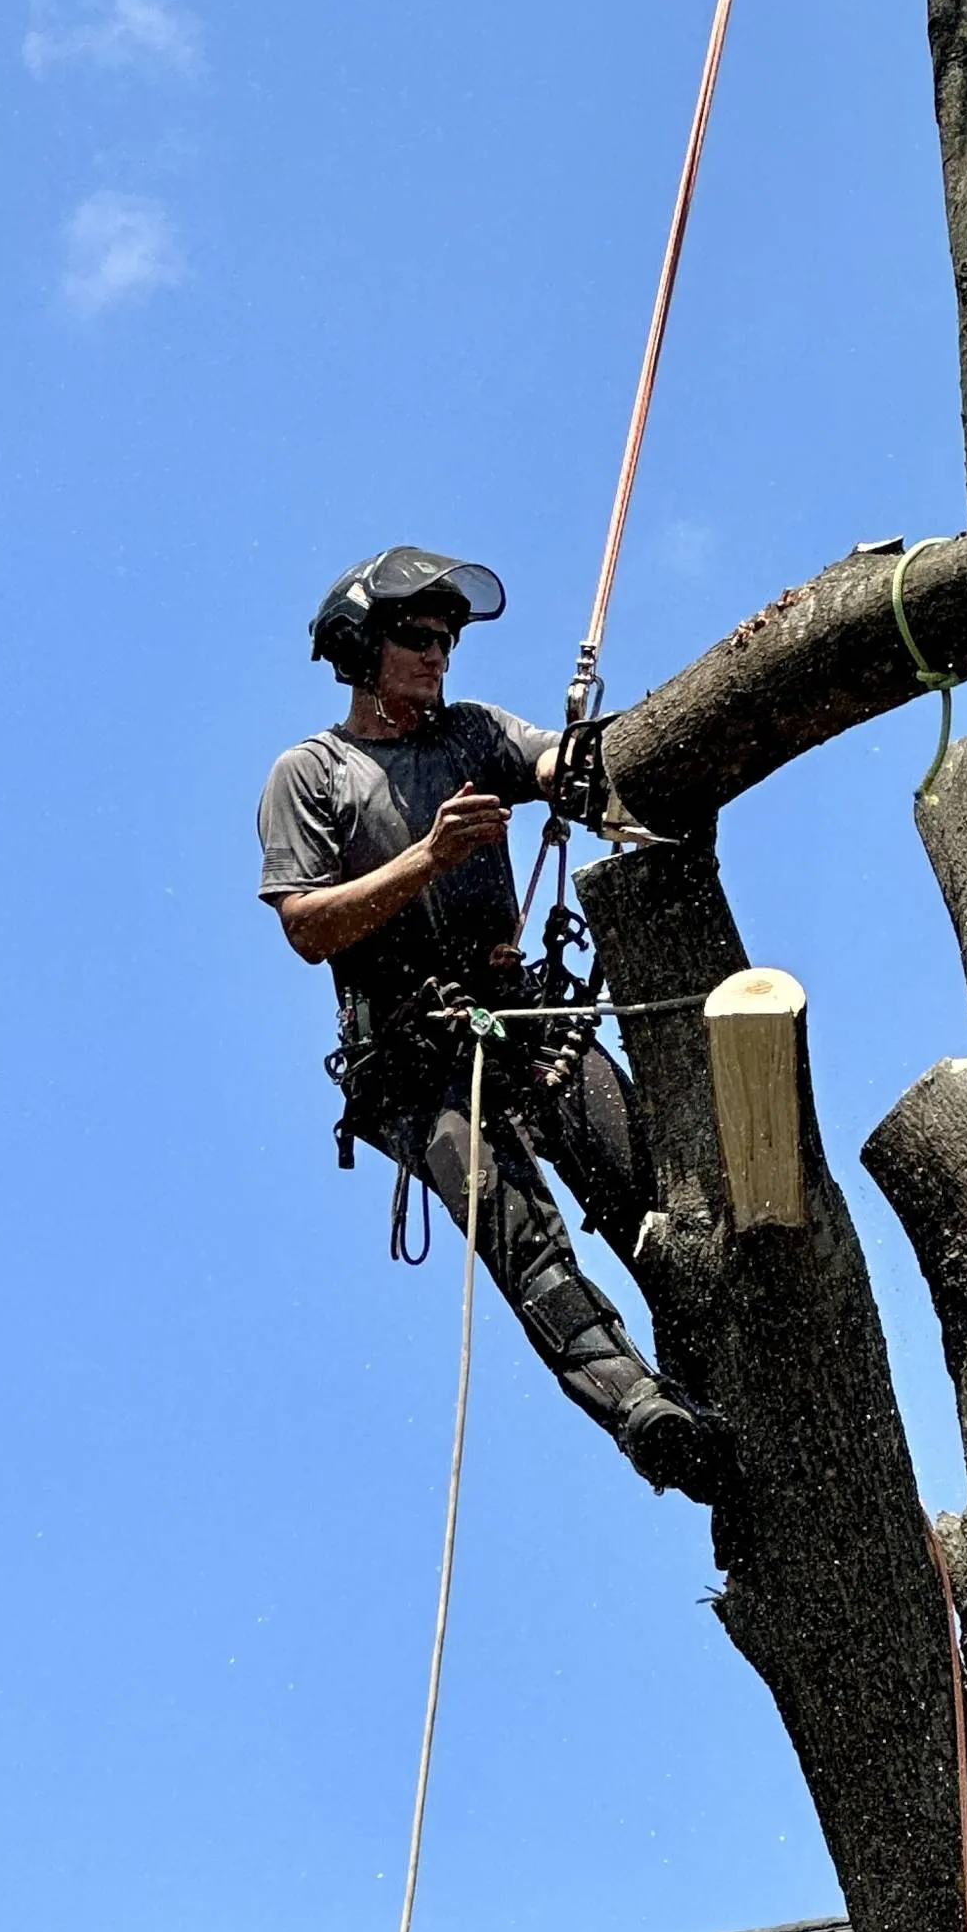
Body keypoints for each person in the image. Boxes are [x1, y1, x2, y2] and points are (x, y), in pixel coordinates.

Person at [257, 546, 721, 1503]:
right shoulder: (314, 775)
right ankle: (645, 1413)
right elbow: (307, 925)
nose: (439, 657)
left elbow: (558, 764)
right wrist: (428, 857)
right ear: (361, 648)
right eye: (418, 640)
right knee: (522, 1234)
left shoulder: (470, 738)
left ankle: (729, 1371)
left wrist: (610, 761)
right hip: (417, 1063)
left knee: (653, 1187)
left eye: (448, 640)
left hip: (524, 1025)